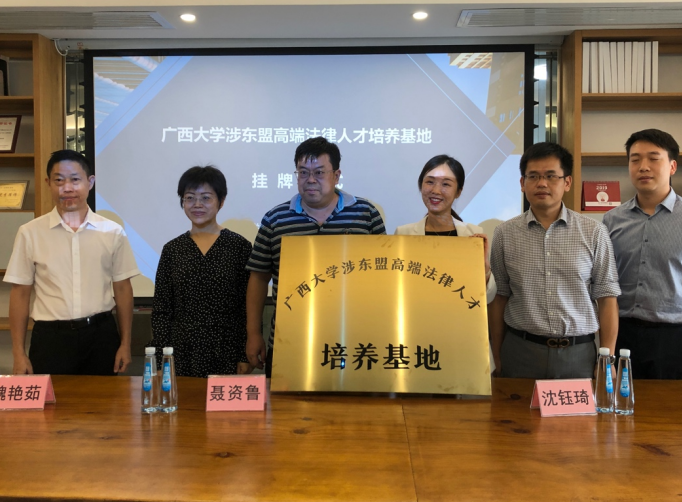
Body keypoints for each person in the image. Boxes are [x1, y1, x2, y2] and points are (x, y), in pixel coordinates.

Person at [245, 137, 386, 377]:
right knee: (285, 401)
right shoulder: (275, 219)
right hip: (290, 339)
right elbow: (258, 278)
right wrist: (254, 334)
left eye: (319, 172)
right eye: (303, 172)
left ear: (336, 175)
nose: (310, 180)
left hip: (355, 339)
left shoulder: (366, 214)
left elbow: (383, 276)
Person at [603, 129, 682, 379]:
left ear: (672, 166)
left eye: (653, 158)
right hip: (623, 333)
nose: (643, 167)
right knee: (619, 402)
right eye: (635, 159)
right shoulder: (611, 220)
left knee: (676, 405)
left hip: (676, 338)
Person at [489, 142, 620, 379]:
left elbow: (607, 297)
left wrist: (607, 358)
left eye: (551, 176)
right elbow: (500, 298)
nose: (542, 183)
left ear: (567, 182)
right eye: (533, 176)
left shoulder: (594, 232)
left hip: (579, 354)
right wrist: (497, 355)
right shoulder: (504, 234)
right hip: (520, 351)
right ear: (522, 183)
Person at [5, 149, 140, 377]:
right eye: (59, 180)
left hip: (101, 336)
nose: (67, 188)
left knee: (104, 399)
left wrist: (125, 344)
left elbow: (123, 289)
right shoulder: (30, 233)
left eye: (75, 180)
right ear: (48, 183)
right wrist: (18, 352)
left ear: (90, 182)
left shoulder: (112, 232)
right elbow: (20, 293)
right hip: (50, 339)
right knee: (51, 400)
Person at [149, 166, 252, 377]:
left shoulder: (239, 246)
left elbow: (246, 306)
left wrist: (244, 354)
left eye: (206, 198)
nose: (197, 204)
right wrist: (161, 359)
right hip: (181, 351)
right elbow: (162, 309)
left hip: (226, 349)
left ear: (221, 201)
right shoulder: (172, 249)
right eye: (190, 198)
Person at [394, 154, 496, 304]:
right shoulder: (403, 234)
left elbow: (486, 299)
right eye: (430, 182)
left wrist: (485, 270)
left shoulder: (473, 235)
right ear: (421, 185)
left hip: (459, 316)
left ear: (458, 191)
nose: (436, 190)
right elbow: (397, 289)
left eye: (446, 184)